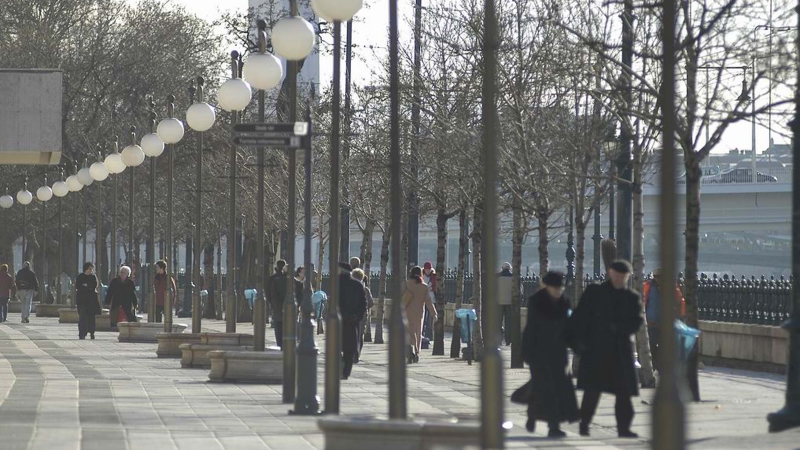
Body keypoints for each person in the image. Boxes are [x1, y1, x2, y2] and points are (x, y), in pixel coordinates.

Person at [569, 260, 643, 438]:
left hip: (620, 351)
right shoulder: (595, 292)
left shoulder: (631, 297)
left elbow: (637, 321)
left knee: (623, 394)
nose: (619, 280)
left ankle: (623, 428)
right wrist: (577, 343)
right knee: (592, 391)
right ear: (610, 273)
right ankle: (584, 424)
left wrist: (619, 328)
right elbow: (580, 317)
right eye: (617, 276)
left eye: (623, 277)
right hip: (596, 350)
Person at [520, 271, 579, 437]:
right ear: (547, 286)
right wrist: (526, 353)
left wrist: (576, 347)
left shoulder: (565, 301)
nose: (558, 291)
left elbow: (569, 328)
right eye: (555, 288)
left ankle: (554, 426)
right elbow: (531, 329)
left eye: (560, 288)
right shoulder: (536, 301)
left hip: (558, 354)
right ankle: (533, 415)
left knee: (558, 390)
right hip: (538, 353)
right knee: (543, 389)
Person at [643, 267, 686, 370]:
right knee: (652, 348)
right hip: (651, 324)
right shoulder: (648, 286)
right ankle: (653, 368)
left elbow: (680, 303)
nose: (660, 279)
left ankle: (659, 368)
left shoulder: (672, 288)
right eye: (658, 277)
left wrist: (679, 318)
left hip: (666, 325)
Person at [338, 262, 367, 380]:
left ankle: (339, 369)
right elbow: (363, 304)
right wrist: (356, 317)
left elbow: (335, 303)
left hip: (339, 320)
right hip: (353, 322)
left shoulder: (336, 284)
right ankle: (346, 372)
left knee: (336, 346)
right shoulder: (358, 285)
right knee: (349, 349)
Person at [404, 266, 438, 363]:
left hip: (406, 312)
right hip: (419, 313)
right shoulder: (424, 286)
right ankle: (416, 351)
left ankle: (409, 348)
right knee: (418, 333)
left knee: (408, 332)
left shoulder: (406, 284)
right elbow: (428, 301)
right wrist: (434, 313)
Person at [351, 268, 374, 363]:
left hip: (351, 314)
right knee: (360, 335)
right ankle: (357, 354)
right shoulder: (365, 289)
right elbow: (371, 303)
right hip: (362, 315)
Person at [76, 262, 101, 340]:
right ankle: (82, 333)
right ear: (86, 269)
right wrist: (87, 287)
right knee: (83, 317)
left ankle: (92, 332)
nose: (91, 270)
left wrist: (86, 286)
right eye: (90, 269)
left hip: (91, 301)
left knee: (91, 317)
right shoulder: (80, 277)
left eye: (92, 269)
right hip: (82, 301)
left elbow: (93, 286)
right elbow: (78, 286)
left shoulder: (93, 277)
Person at [496, 262, 517, 346]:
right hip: (510, 302)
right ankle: (508, 340)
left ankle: (499, 340)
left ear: (502, 268)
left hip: (498, 302)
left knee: (498, 322)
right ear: (510, 268)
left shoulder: (496, 277)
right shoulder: (514, 277)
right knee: (509, 323)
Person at [269, 260, 288, 348]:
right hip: (288, 307)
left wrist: (273, 303)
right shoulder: (292, 280)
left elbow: (269, 293)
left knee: (278, 325)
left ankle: (280, 344)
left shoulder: (273, 278)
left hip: (277, 307)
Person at [421, 262, 437, 342]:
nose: (427, 271)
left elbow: (433, 286)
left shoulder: (433, 276)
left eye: (429, 269)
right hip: (423, 299)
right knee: (423, 319)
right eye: (426, 269)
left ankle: (429, 336)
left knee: (430, 320)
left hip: (431, 299)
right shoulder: (421, 275)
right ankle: (422, 335)